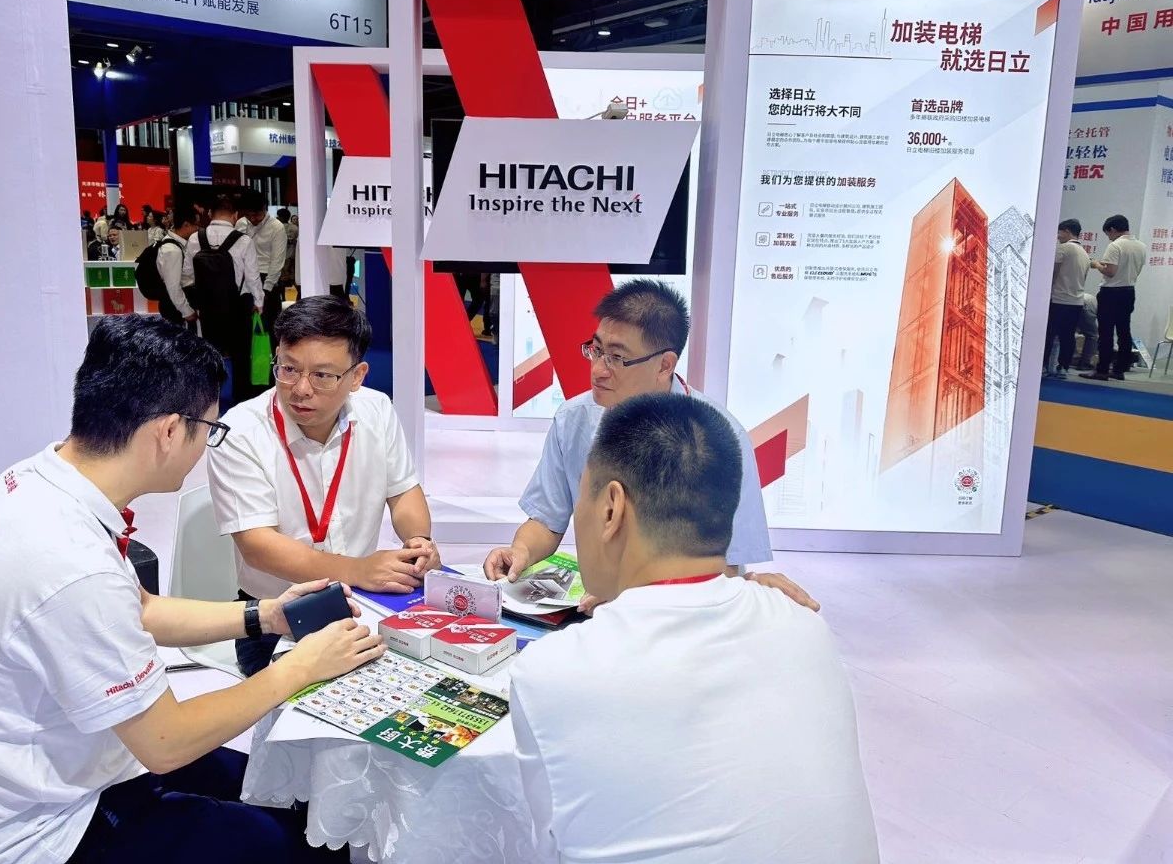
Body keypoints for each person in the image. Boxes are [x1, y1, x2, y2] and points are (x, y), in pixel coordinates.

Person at [0, 315, 379, 864]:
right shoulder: (69, 562)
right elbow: (166, 742)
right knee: (312, 843)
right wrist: (302, 667)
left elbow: (138, 608)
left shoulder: (39, 481)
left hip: (82, 765)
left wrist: (265, 615)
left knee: (294, 793)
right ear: (168, 431)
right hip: (45, 831)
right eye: (208, 429)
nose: (207, 444)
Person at [509, 393, 880, 864]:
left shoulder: (552, 673)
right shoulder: (805, 628)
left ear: (611, 509)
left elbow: (540, 846)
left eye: (582, 498)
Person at [484, 280, 812, 610]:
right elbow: (546, 520)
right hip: (595, 607)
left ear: (665, 365)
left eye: (617, 358)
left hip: (683, 613)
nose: (598, 370)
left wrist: (635, 596)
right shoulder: (574, 420)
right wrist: (521, 551)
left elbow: (725, 568)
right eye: (596, 350)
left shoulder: (721, 438)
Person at [207, 295, 441, 677]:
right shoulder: (241, 432)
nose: (301, 389)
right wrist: (358, 570)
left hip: (362, 604)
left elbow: (404, 493)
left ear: (357, 376)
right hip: (277, 615)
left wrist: (419, 542)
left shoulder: (377, 410)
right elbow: (258, 547)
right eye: (288, 369)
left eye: (322, 376)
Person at [183, 193, 263, 403]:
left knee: (209, 355)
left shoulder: (195, 239)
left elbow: (187, 275)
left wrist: (195, 302)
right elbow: (253, 276)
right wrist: (259, 302)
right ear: (235, 215)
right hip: (238, 307)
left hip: (208, 308)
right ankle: (242, 401)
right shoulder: (243, 240)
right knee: (241, 357)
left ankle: (209, 401)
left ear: (210, 213)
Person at [1082, 214, 1148, 381]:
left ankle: (1102, 370)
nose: (1109, 238)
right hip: (1128, 291)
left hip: (1111, 293)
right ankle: (1119, 369)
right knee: (1124, 331)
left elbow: (1110, 272)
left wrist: (1096, 264)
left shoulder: (1115, 246)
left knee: (1106, 332)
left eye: (1108, 234)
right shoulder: (1141, 246)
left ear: (1112, 229)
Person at [238, 189, 289, 344]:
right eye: (249, 215)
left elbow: (277, 262)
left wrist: (266, 290)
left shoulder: (276, 227)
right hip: (244, 279)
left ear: (264, 209)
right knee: (245, 327)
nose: (253, 219)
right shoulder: (241, 224)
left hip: (267, 279)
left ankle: (273, 357)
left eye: (257, 215)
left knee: (269, 326)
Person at [1044, 219, 1089, 379]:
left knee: (1049, 335)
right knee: (1068, 336)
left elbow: (1053, 272)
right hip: (1076, 301)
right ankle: (1063, 367)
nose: (1058, 236)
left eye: (1060, 232)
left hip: (1059, 299)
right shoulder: (1084, 253)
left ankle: (1043, 366)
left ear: (1067, 231)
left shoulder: (1064, 248)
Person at [155, 203, 200, 327]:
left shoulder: (179, 244)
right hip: (175, 307)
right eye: (196, 224)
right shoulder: (172, 249)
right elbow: (173, 286)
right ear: (186, 224)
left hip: (178, 303)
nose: (197, 228)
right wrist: (187, 311)